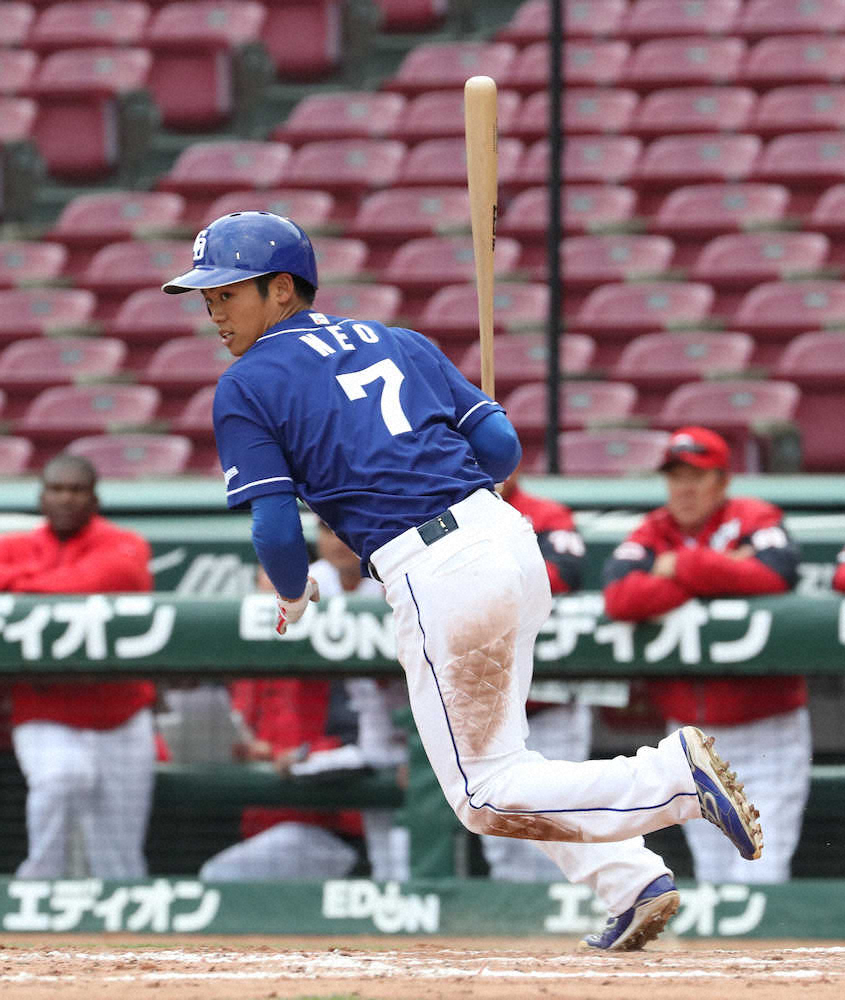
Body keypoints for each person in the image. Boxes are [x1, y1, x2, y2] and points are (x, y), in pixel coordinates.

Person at [162, 211, 763, 951]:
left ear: (283, 289)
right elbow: (500, 445)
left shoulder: (247, 382)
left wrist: (291, 590)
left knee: (481, 795)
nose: (213, 311)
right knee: (505, 764)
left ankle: (670, 778)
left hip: (435, 569)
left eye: (228, 293)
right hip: (506, 541)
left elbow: (276, 529)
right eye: (207, 297)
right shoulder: (400, 340)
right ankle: (628, 880)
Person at [602, 426, 810, 885]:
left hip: (766, 727)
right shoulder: (654, 529)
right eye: (676, 476)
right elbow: (619, 598)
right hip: (693, 738)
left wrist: (681, 565)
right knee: (714, 875)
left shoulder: (754, 516)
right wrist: (720, 569)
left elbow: (777, 574)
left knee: (763, 869)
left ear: (722, 481)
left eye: (697, 476)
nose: (684, 488)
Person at [0, 454, 157, 878]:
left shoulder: (125, 543)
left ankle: (122, 932)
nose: (66, 498)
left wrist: (18, 587)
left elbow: (103, 580)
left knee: (119, 856)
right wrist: (41, 584)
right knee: (61, 779)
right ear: (41, 497)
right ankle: (39, 886)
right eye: (56, 489)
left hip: (119, 713)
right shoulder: (14, 546)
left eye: (76, 490)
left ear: (94, 497)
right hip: (46, 709)